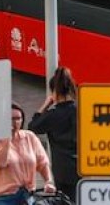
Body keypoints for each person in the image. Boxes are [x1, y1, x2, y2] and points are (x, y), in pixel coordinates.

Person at [0, 103, 55, 204]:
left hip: (27, 195)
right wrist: (7, 138)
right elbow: (0, 164)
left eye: (18, 118)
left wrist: (48, 181)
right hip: (2, 196)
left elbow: (42, 162)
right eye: (10, 119)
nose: (14, 123)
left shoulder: (29, 137)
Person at [28, 66, 78, 197]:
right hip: (84, 168)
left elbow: (33, 127)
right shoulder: (82, 110)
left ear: (54, 92)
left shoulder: (53, 114)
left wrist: (45, 105)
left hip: (63, 170)